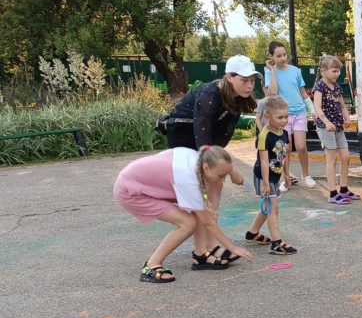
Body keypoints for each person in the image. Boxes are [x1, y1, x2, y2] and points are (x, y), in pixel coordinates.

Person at [159, 55, 259, 264]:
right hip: (183, 136)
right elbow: (202, 137)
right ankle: (200, 252)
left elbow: (222, 139)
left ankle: (210, 245)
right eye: (244, 80)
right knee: (199, 194)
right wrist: (230, 170)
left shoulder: (238, 98)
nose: (249, 85)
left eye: (252, 80)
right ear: (230, 77)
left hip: (205, 142)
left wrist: (223, 170)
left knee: (215, 189)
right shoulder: (209, 93)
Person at [113, 145, 254, 282]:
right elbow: (207, 222)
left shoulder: (202, 158)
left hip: (146, 185)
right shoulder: (188, 179)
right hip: (132, 192)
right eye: (222, 175)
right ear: (206, 167)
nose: (223, 179)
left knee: (209, 192)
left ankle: (201, 255)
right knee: (187, 223)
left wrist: (233, 172)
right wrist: (232, 247)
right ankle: (151, 266)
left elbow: (216, 172)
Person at [245, 96, 298, 255]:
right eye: (280, 117)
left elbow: (285, 155)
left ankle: (252, 233)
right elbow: (263, 160)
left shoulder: (284, 132)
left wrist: (287, 174)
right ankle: (276, 242)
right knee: (273, 207)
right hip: (263, 176)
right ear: (267, 117)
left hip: (274, 176)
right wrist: (266, 184)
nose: (284, 120)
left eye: (286, 117)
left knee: (267, 207)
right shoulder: (264, 135)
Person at [264, 41, 315, 188]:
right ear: (271, 57)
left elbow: (303, 92)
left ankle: (306, 175)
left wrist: (311, 109)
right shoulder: (269, 73)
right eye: (278, 56)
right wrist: (272, 71)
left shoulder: (295, 71)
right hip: (282, 116)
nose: (283, 58)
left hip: (299, 112)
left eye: (284, 54)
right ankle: (285, 178)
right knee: (285, 148)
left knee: (301, 146)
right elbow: (272, 92)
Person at [312, 54, 358, 204]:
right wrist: (325, 121)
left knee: (346, 157)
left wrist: (346, 117)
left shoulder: (337, 87)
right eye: (334, 71)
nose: (337, 74)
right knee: (331, 159)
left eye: (338, 71)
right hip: (326, 128)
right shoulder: (319, 86)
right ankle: (332, 193)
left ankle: (343, 189)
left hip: (338, 127)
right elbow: (317, 107)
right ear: (323, 70)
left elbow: (342, 105)